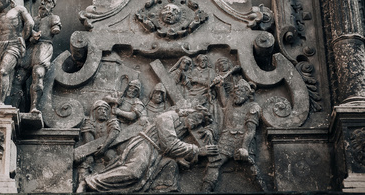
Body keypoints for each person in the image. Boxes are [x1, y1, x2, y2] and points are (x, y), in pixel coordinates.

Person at [83, 106, 219, 192]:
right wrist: (197, 150)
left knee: (170, 168)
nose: (197, 122)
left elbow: (172, 149)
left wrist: (181, 158)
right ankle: (90, 182)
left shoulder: (183, 128)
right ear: (189, 112)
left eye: (200, 122)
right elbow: (169, 144)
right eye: (197, 117)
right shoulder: (167, 117)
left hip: (157, 154)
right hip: (145, 145)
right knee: (134, 172)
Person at [201, 78, 266, 192]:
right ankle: (205, 190)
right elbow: (223, 99)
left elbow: (250, 130)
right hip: (226, 139)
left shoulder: (253, 107)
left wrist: (245, 148)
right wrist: (220, 85)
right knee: (214, 163)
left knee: (250, 167)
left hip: (244, 140)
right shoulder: (230, 103)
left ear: (247, 93)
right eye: (235, 92)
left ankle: (263, 190)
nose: (237, 94)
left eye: (240, 91)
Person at [75, 100, 121, 193]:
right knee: (87, 160)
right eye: (100, 109)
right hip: (93, 154)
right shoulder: (89, 123)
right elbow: (90, 145)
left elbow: (115, 131)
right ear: (94, 112)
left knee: (112, 156)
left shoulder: (111, 122)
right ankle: (83, 183)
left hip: (107, 152)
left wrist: (105, 146)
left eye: (105, 109)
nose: (103, 111)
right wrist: (83, 156)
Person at [27, 0, 61, 112]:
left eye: (47, 1)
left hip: (44, 47)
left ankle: (34, 106)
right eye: (42, 0)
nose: (42, 3)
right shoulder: (34, 20)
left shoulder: (53, 18)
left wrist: (55, 28)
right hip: (31, 48)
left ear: (52, 5)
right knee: (18, 77)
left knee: (38, 74)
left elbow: (56, 28)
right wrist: (32, 37)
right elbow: (29, 35)